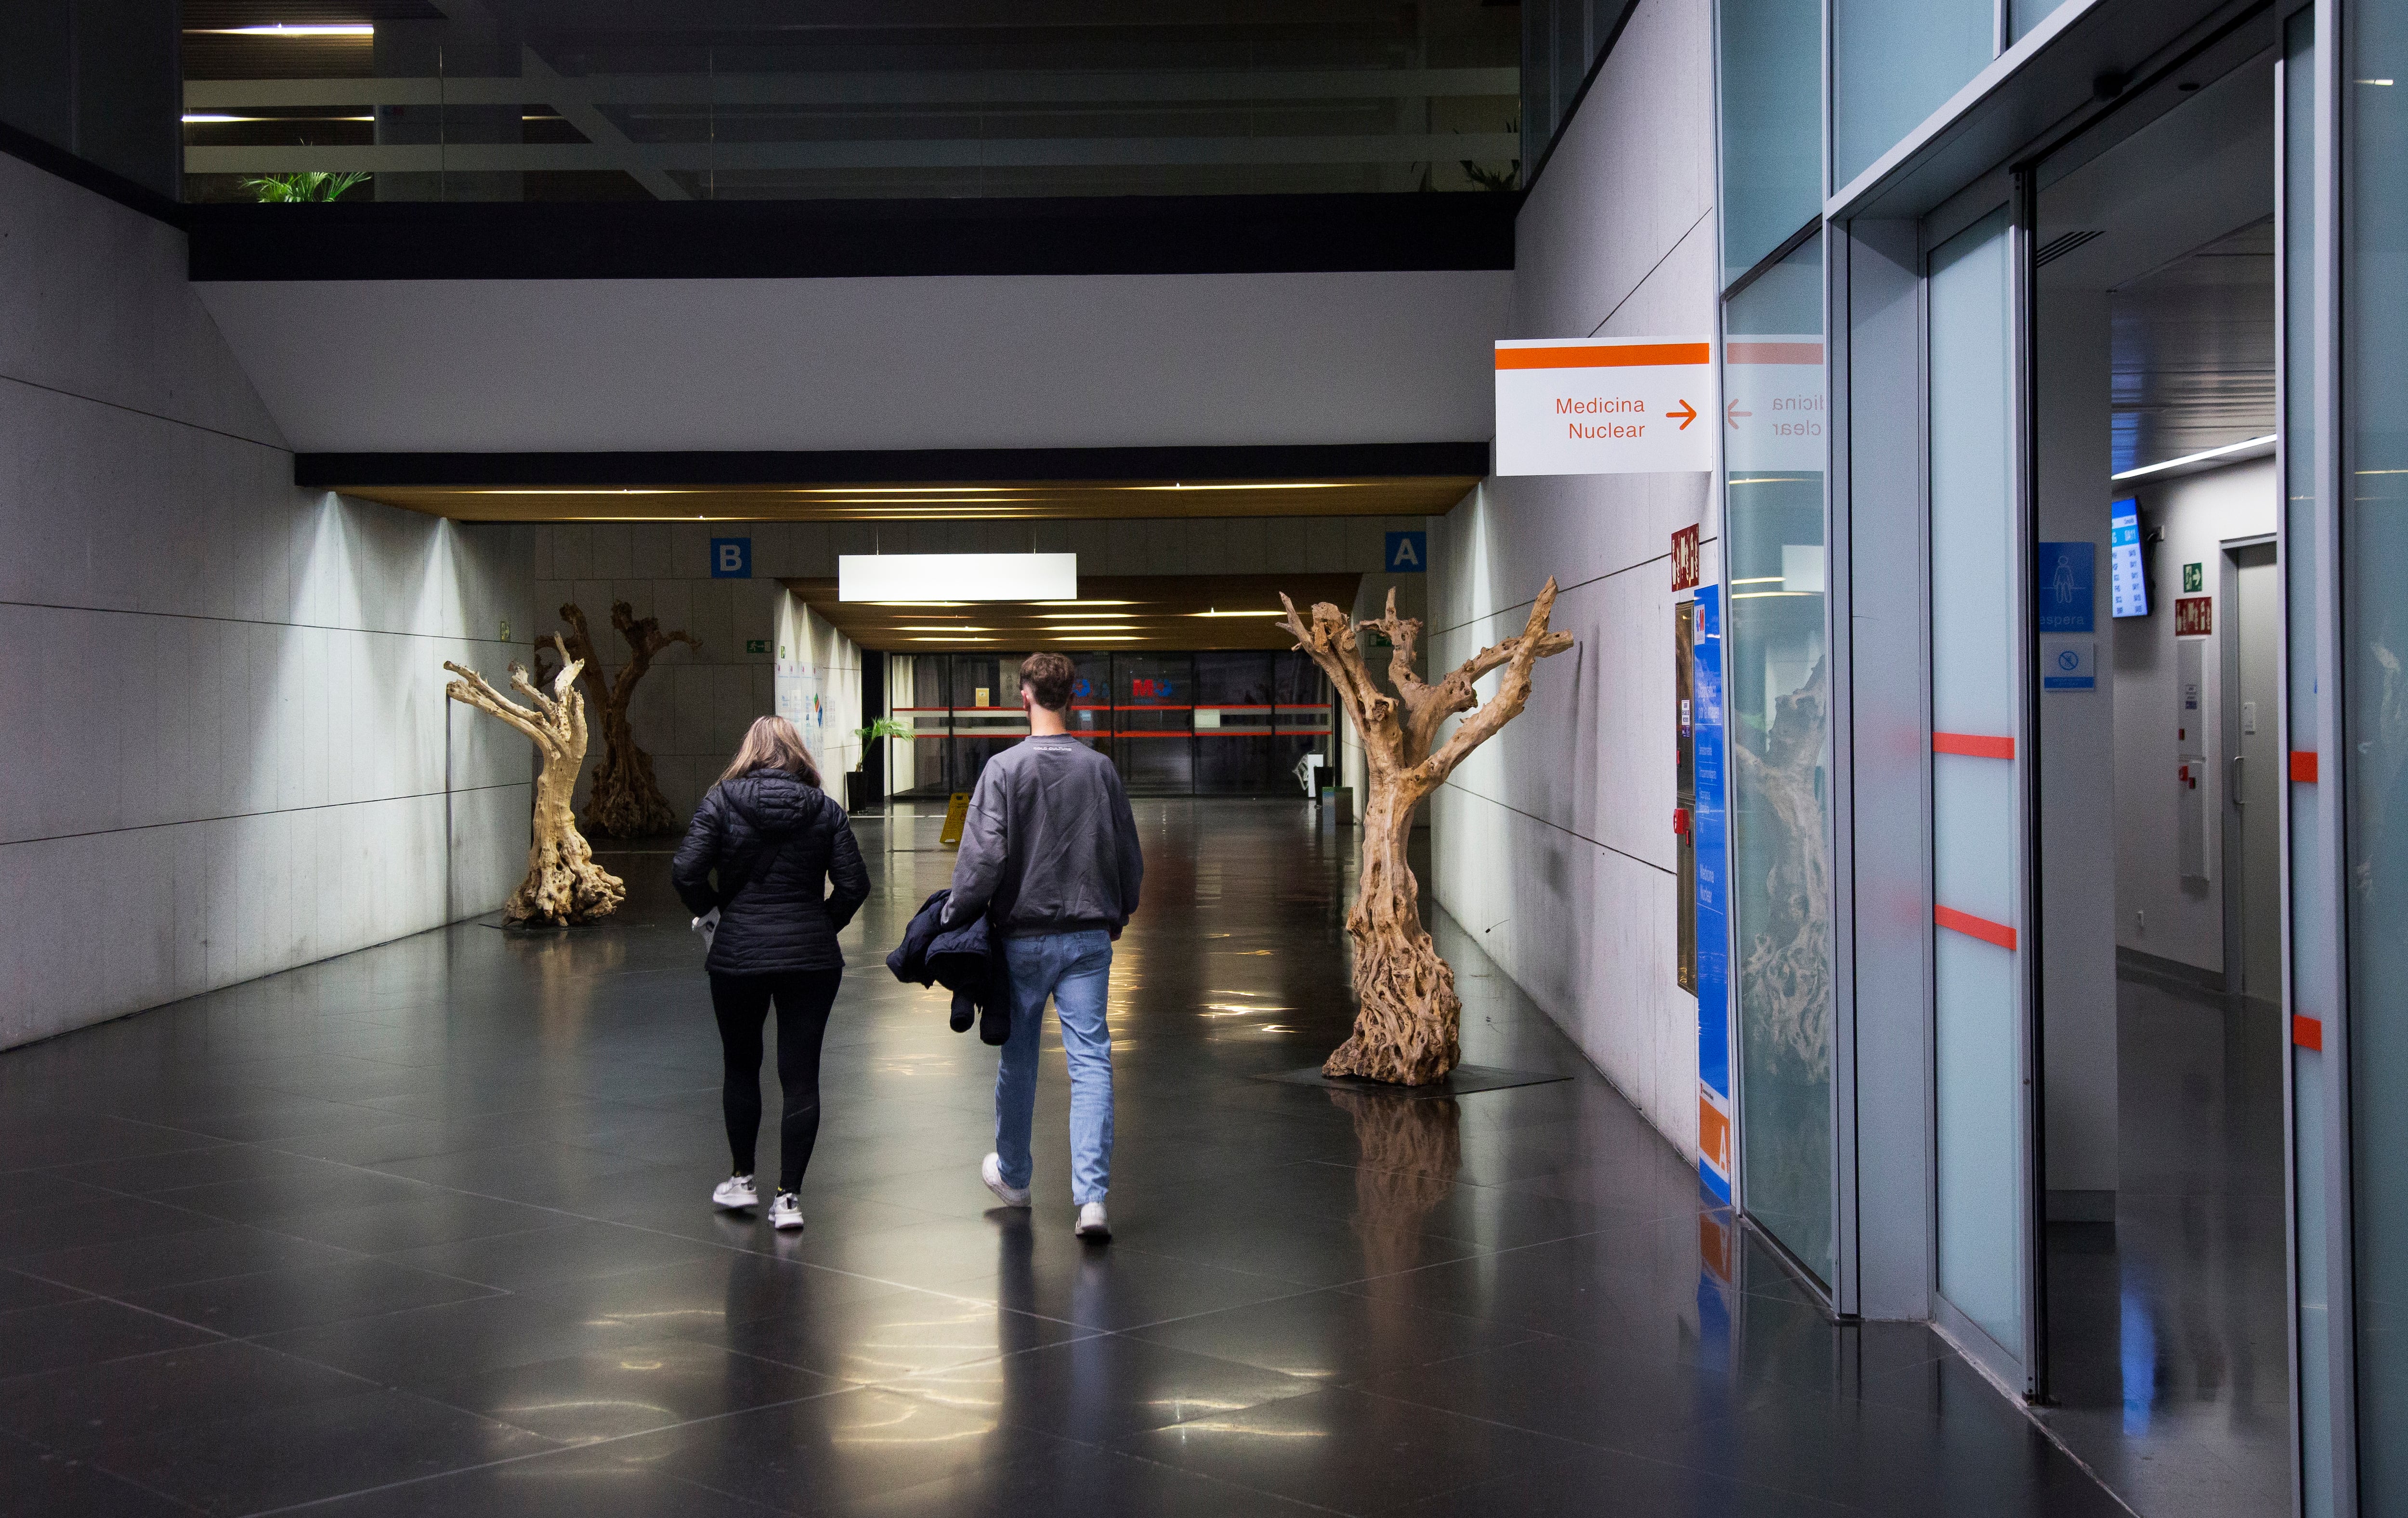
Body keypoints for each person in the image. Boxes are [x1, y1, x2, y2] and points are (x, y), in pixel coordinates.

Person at [946, 652, 1144, 1241]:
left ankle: (1014, 1176)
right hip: (1087, 936)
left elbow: (981, 860)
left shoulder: (1003, 770)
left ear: (1024, 697)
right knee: (1090, 1062)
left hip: (1021, 938)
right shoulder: (1100, 770)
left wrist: (954, 916)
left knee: (1019, 1059)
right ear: (1072, 697)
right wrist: (1121, 909)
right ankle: (1092, 1203)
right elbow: (1127, 853)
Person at [673, 715, 869, 1231]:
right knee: (800, 1073)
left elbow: (685, 869)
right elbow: (854, 884)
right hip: (810, 958)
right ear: (797, 753)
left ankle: (741, 1180)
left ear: (751, 752)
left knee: (741, 1064)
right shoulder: (825, 809)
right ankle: (788, 1198)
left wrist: (713, 913)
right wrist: (820, 924)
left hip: (738, 954)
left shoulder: (720, 801)